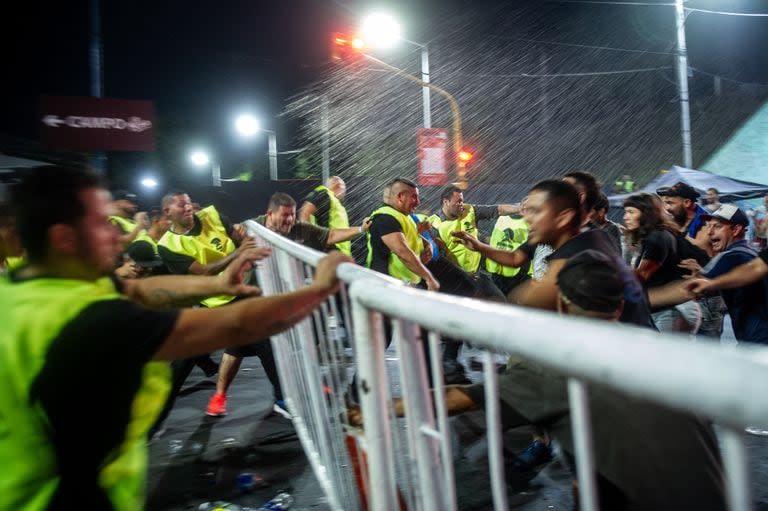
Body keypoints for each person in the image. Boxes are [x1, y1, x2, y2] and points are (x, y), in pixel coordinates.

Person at [0, 164, 350, 510]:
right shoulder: (88, 318)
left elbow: (139, 289)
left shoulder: (28, 291)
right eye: (100, 225)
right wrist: (318, 290)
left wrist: (215, 283)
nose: (117, 236)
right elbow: (237, 325)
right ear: (63, 239)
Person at [353, 250, 725, 511]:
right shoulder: (661, 351)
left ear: (561, 303)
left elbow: (458, 398)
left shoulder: (559, 362)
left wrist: (374, 408)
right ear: (620, 303)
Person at [206, 191, 370, 417]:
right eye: (285, 216)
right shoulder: (252, 227)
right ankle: (220, 395)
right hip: (251, 298)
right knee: (237, 351)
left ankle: (301, 386)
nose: (290, 221)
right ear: (269, 214)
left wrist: (361, 229)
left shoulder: (300, 229)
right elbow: (226, 237)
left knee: (299, 343)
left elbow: (330, 235)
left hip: (282, 299)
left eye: (292, 215)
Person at [157, 190, 284, 417]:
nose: (188, 208)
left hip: (242, 293)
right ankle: (156, 418)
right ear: (167, 212)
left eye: (189, 204)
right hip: (213, 302)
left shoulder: (213, 215)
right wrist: (239, 254)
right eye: (181, 205)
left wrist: (244, 241)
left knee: (265, 343)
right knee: (187, 358)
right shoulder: (167, 245)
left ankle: (281, 398)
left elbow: (241, 240)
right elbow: (205, 272)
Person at [679, 205, 768, 344]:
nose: (709, 232)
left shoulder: (730, 255)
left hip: (756, 339)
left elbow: (696, 286)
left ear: (736, 230)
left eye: (717, 226)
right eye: (709, 226)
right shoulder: (751, 251)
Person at [622, 193, 699, 334]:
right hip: (666, 308)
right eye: (626, 212)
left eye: (631, 212)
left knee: (665, 355)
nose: (625, 217)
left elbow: (641, 276)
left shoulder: (656, 237)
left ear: (646, 214)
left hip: (671, 310)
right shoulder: (655, 235)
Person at [367, 177, 439, 291]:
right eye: (414, 197)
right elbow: (403, 252)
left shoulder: (403, 216)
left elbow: (408, 235)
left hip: (404, 285)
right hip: (387, 287)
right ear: (401, 197)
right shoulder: (385, 218)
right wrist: (429, 278)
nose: (418, 202)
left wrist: (426, 243)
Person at [299, 176, 352, 254]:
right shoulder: (325, 194)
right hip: (330, 250)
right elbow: (305, 212)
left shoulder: (336, 202)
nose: (345, 191)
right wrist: (311, 240)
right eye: (343, 187)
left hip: (337, 251)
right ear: (338, 185)